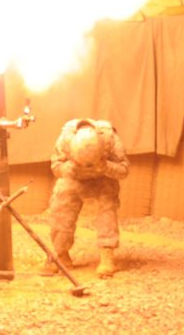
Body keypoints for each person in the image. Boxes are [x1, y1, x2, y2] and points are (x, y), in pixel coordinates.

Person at [44, 118, 129, 278]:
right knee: (60, 208)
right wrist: (69, 168)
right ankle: (61, 255)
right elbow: (56, 167)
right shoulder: (65, 140)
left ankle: (107, 256)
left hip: (103, 178)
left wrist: (106, 167)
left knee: (107, 210)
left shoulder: (110, 139)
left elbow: (124, 170)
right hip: (74, 178)